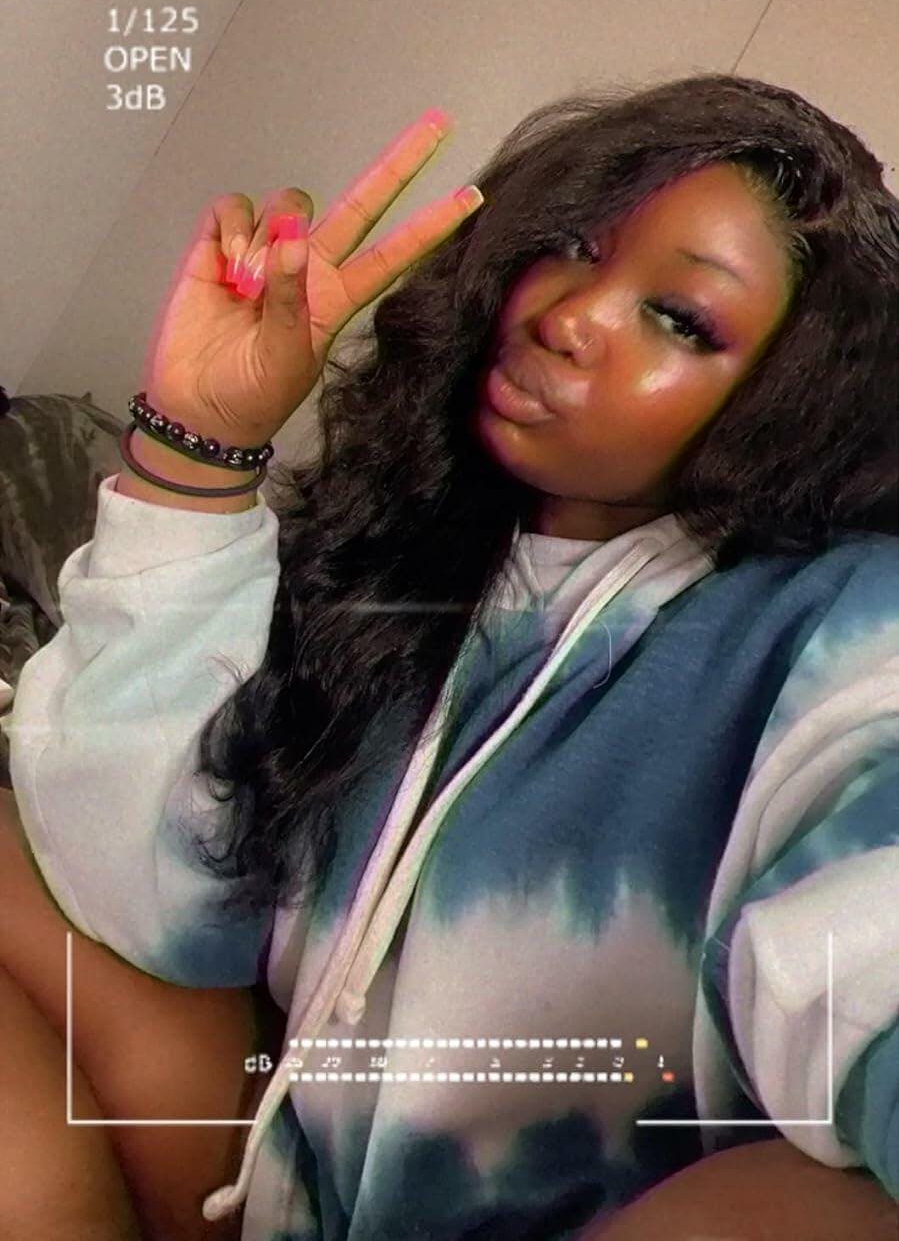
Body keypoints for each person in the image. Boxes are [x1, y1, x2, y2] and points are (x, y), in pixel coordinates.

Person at [2, 73, 897, 1241]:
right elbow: (164, 895)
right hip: (290, 1186)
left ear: (792, 402)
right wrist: (200, 447)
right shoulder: (425, 553)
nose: (568, 314)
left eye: (679, 319)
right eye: (574, 245)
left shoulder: (838, 627)